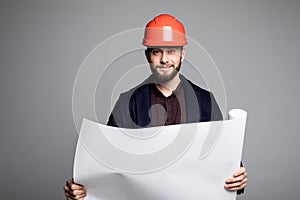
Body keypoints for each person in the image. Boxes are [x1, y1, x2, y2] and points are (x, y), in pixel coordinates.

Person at [64, 14, 248, 200]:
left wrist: (238, 177)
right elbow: (107, 163)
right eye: (157, 51)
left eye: (171, 51)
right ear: (147, 55)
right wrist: (81, 189)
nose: (164, 59)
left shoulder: (205, 101)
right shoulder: (128, 102)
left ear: (183, 53)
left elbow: (226, 160)